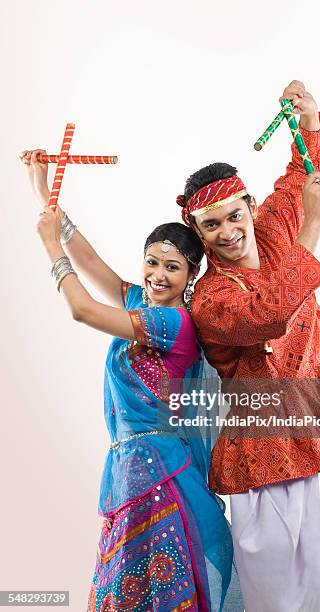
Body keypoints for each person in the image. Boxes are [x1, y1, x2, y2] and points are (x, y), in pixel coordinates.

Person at [176, 81, 320, 611]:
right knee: (284, 592)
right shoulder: (211, 299)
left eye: (234, 213)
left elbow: (302, 178)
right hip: (267, 456)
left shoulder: (270, 231)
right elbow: (268, 316)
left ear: (249, 205)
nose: (228, 231)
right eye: (211, 225)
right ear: (199, 234)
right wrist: (315, 224)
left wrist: (309, 122)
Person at [20, 150, 243, 612]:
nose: (158, 275)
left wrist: (49, 248)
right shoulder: (143, 301)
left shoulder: (174, 325)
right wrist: (42, 188)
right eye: (151, 262)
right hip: (130, 473)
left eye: (172, 267)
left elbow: (82, 309)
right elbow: (89, 258)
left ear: (191, 275)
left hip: (161, 476)